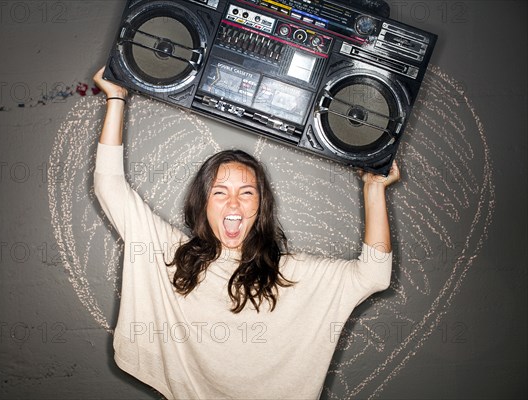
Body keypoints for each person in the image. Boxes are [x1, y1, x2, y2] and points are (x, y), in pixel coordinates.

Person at [92, 67, 400, 399]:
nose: (234, 204)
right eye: (220, 192)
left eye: (247, 193)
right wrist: (116, 98)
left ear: (261, 205)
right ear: (203, 203)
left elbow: (374, 275)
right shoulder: (170, 254)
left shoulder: (291, 273)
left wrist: (373, 189)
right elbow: (110, 186)